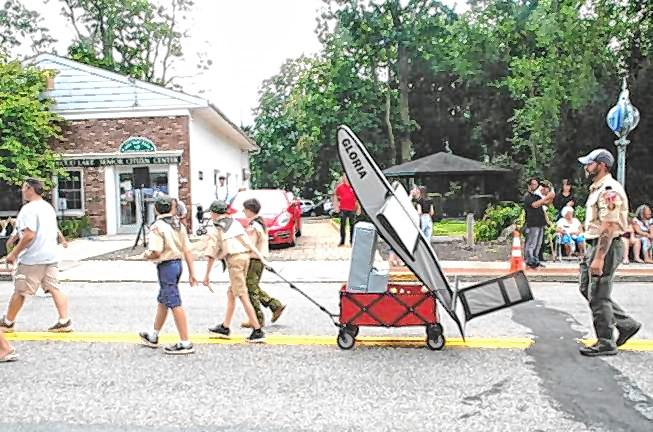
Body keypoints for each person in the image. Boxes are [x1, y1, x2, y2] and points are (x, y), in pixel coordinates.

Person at [577, 148, 641, 356]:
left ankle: (605, 341)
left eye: (590, 163)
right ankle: (626, 324)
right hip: (595, 244)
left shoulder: (608, 190)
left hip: (606, 246)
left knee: (598, 295)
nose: (586, 167)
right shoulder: (597, 188)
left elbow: (608, 227)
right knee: (587, 288)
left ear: (601, 165)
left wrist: (598, 258)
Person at [0, 179, 72, 333]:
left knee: (20, 290)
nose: (22, 191)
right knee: (54, 288)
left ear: (30, 189)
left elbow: (29, 235)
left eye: (24, 188)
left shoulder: (28, 209)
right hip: (50, 255)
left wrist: (14, 253)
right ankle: (64, 320)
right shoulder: (48, 207)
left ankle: (8, 322)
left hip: (33, 257)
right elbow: (50, 229)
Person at [138, 196, 198, 355]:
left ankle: (185, 342)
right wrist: (192, 272)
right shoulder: (178, 225)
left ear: (156, 209)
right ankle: (154, 334)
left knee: (173, 301)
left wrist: (145, 255)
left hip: (166, 266)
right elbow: (187, 249)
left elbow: (156, 250)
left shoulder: (157, 227)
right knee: (163, 300)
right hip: (178, 264)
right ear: (172, 208)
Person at [203, 200, 268, 342]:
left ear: (214, 213)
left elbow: (211, 252)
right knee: (232, 292)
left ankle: (257, 330)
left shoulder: (217, 228)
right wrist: (261, 258)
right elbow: (247, 241)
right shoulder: (235, 223)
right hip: (245, 257)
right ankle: (225, 326)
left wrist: (206, 275)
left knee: (242, 294)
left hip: (234, 260)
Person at [240, 198, 286, 328]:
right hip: (258, 260)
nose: (243, 211)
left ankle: (256, 319)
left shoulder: (254, 226)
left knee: (251, 291)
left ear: (250, 210)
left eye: (245, 209)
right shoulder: (260, 223)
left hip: (254, 260)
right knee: (253, 287)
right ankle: (275, 305)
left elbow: (250, 245)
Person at [522, 178, 552, 268]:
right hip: (532, 223)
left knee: (538, 243)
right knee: (532, 242)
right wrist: (546, 197)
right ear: (529, 185)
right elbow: (535, 205)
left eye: (536, 184)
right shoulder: (527, 197)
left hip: (540, 222)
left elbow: (546, 203)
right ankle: (529, 260)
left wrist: (551, 196)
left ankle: (536, 259)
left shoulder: (537, 196)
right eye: (534, 184)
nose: (536, 186)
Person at [333, 175, 357, 247]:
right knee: (342, 225)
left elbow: (357, 199)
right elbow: (335, 197)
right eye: (344, 177)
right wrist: (336, 206)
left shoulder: (354, 186)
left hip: (352, 209)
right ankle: (342, 241)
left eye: (346, 177)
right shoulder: (340, 187)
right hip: (343, 209)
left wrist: (358, 208)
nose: (345, 179)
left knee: (352, 225)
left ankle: (352, 241)